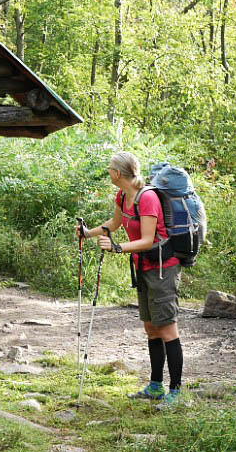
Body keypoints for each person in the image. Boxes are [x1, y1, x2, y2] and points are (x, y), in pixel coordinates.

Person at [77, 151, 184, 408]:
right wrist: (87, 233)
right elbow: (114, 223)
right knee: (150, 327)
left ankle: (176, 392)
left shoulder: (147, 199)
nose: (108, 172)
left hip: (162, 269)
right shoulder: (123, 195)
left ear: (117, 173)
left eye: (109, 168)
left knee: (167, 328)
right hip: (143, 267)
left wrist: (116, 248)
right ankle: (156, 387)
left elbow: (148, 240)